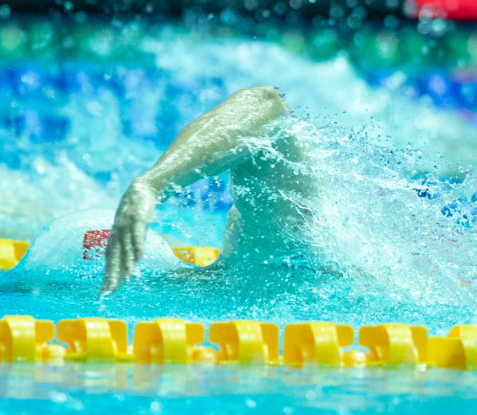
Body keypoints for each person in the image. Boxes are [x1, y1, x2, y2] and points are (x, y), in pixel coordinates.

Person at [100, 86, 316, 296]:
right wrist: (150, 186)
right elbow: (264, 104)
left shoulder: (313, 238)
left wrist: (152, 185)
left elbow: (265, 104)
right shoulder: (289, 238)